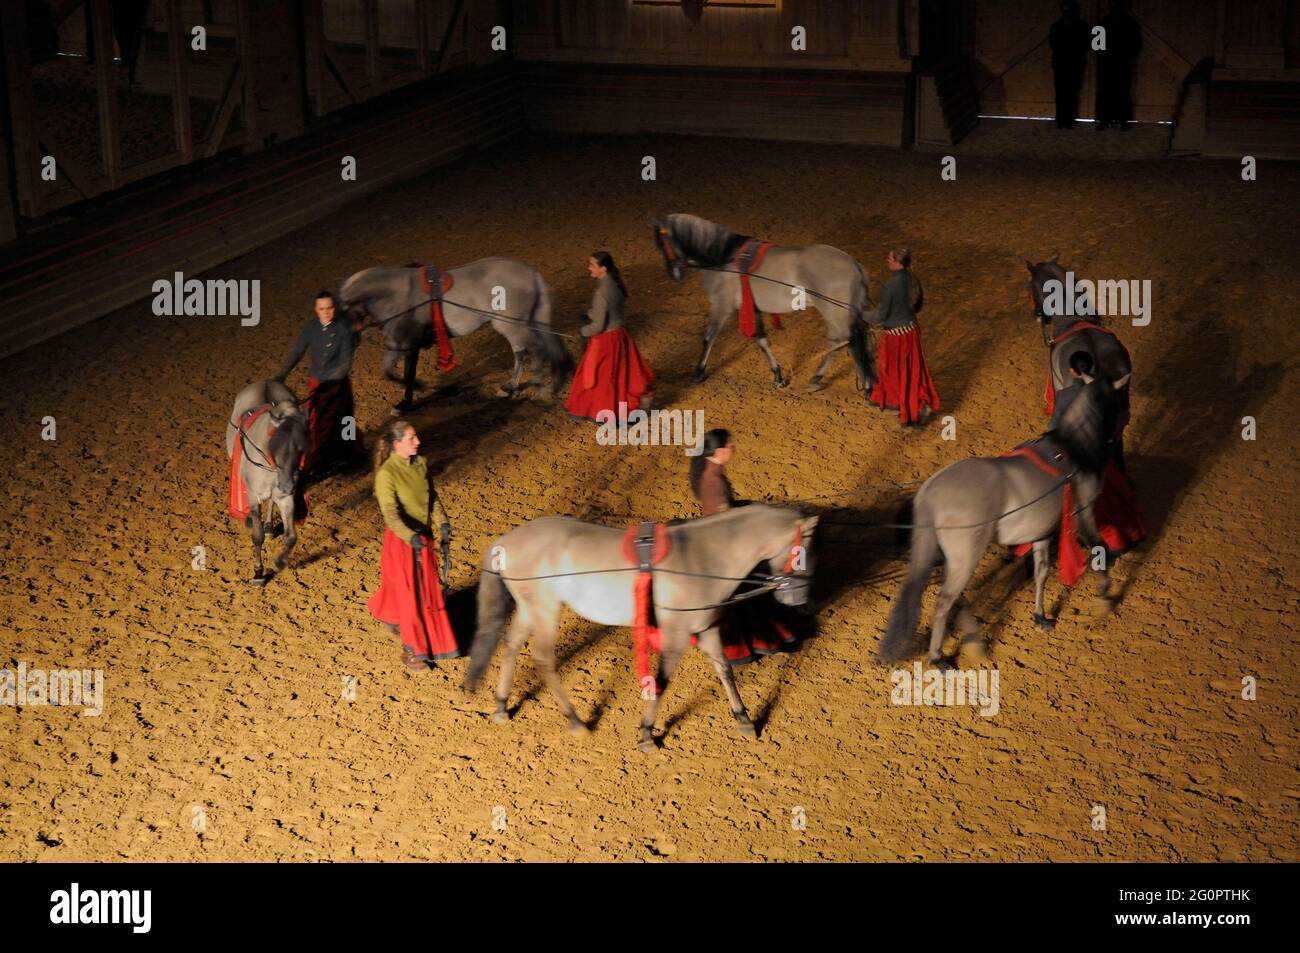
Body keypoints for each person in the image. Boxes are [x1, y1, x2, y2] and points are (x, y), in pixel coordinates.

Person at [689, 429, 799, 665]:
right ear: (719, 451)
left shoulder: (712, 472)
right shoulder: (713, 482)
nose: (733, 447)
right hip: (724, 547)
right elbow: (724, 524)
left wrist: (749, 507)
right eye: (730, 445)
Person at [366, 420, 460, 671]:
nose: (417, 442)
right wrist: (410, 536)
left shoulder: (421, 464)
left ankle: (420, 632)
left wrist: (442, 524)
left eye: (416, 437)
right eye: (411, 438)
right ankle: (412, 650)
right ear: (397, 444)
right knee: (410, 596)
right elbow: (390, 513)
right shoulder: (387, 474)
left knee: (426, 591)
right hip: (402, 542)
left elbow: (432, 498)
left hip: (423, 538)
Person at [1049, 352, 1145, 558]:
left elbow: (1054, 427)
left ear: (1072, 371)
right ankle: (1118, 540)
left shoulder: (1066, 395)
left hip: (1071, 456)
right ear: (1092, 367)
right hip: (1097, 456)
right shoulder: (1107, 391)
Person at [275, 290, 365, 480]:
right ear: (316, 309)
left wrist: (328, 381)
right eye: (322, 308)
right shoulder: (310, 328)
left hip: (337, 386)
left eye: (329, 308)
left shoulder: (344, 330)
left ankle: (349, 453)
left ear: (334, 308)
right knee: (317, 425)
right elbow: (297, 352)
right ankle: (317, 461)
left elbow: (345, 363)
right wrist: (281, 375)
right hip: (316, 383)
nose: (326, 312)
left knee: (346, 420)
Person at [565, 252, 654, 422]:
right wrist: (591, 313)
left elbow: (598, 326)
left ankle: (599, 410)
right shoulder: (615, 284)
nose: (589, 268)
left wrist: (582, 332)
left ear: (603, 269)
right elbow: (610, 312)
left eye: (592, 265)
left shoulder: (601, 292)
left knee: (597, 377)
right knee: (621, 375)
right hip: (620, 335)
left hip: (605, 340)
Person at [864, 248, 941, 427]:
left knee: (894, 370)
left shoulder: (890, 286)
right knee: (912, 371)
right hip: (911, 330)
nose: (887, 260)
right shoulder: (911, 278)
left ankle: (910, 405)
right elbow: (916, 306)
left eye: (890, 258)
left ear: (898, 261)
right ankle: (907, 400)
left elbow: (879, 317)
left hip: (897, 337)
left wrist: (860, 314)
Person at [1095, 0, 1141, 131]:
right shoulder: (1105, 22)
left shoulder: (1127, 23)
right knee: (1110, 91)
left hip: (1118, 62)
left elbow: (1136, 44)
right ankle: (1107, 119)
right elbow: (1096, 44)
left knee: (1119, 91)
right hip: (1111, 63)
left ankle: (1117, 120)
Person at [1049, 1, 1090, 129]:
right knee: (1061, 92)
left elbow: (1087, 44)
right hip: (1061, 64)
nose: (1066, 13)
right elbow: (1053, 44)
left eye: (1068, 10)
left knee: (1072, 92)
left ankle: (1069, 119)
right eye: (1064, 10)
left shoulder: (1082, 26)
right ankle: (1061, 119)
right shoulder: (1056, 27)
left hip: (1074, 63)